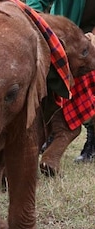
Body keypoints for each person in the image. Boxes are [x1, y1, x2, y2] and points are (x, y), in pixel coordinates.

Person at [26, 0, 95, 162]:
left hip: (87, 44)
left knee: (87, 85)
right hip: (62, 37)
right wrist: (35, 20)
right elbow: (36, 1)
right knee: (51, 90)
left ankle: (91, 139)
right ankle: (50, 133)